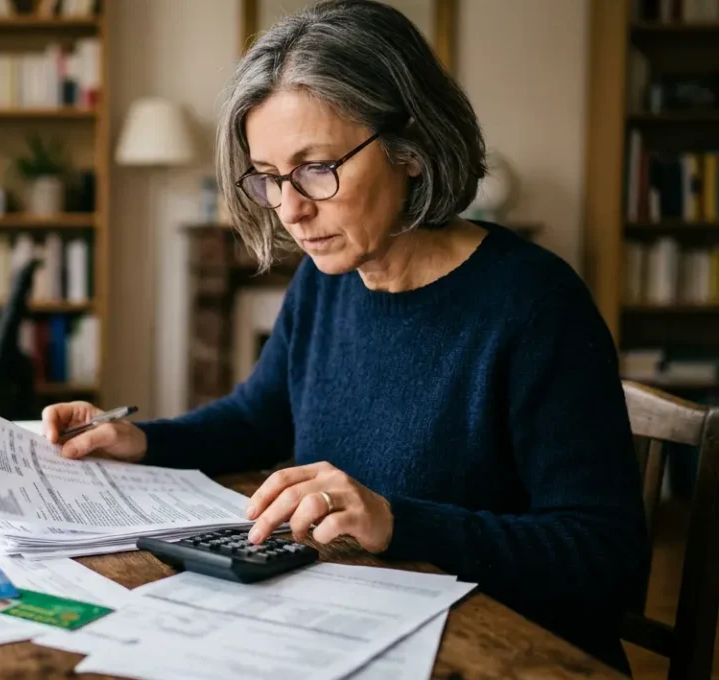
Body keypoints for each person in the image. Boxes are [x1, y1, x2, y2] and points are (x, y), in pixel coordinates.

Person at [41, 0, 648, 673]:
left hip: (505, 654)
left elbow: (605, 557)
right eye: (270, 178)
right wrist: (143, 438)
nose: (292, 210)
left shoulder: (534, 305)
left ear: (409, 147)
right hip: (352, 630)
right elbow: (258, 417)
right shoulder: (330, 278)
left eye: (317, 168)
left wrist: (396, 520)